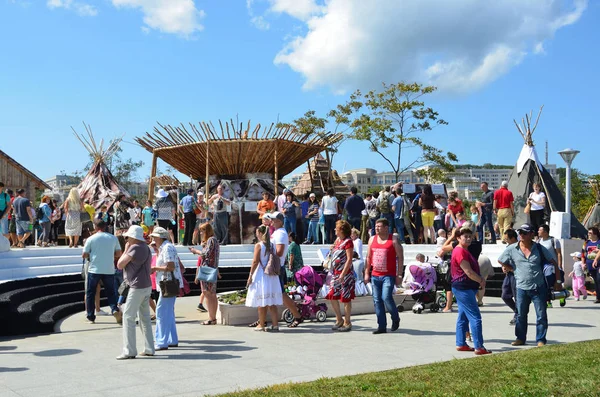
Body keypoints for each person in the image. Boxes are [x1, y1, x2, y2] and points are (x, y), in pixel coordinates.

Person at [499, 223, 560, 347]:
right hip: (521, 287)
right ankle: (520, 338)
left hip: (539, 287)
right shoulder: (512, 248)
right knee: (520, 314)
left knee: (541, 314)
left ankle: (541, 339)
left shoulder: (539, 248)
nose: (521, 235)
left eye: (525, 233)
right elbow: (501, 260)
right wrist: (510, 269)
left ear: (532, 234)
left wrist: (558, 282)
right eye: (520, 232)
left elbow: (554, 263)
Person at [450, 224, 491, 355]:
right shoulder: (460, 251)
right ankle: (479, 346)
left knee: (463, 317)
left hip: (465, 287)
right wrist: (481, 280)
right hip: (464, 287)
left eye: (470, 236)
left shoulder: (464, 250)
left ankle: (461, 343)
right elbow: (468, 272)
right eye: (465, 237)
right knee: (475, 317)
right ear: (458, 238)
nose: (468, 239)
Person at [116, 225, 154, 360]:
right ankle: (149, 348)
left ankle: (129, 350)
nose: (126, 239)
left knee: (128, 317)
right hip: (146, 285)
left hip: (136, 287)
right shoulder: (146, 248)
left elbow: (120, 264)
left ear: (133, 237)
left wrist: (126, 249)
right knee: (145, 318)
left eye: (128, 237)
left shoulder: (134, 248)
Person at [263, 211, 304, 327]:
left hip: (276, 267)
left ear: (279, 221)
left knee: (281, 294)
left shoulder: (280, 233)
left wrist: (267, 251)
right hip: (275, 266)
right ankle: (262, 319)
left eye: (273, 219)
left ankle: (297, 315)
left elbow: (280, 252)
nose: (271, 221)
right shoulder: (277, 232)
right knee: (272, 292)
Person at [365, 218, 403, 334]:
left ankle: (395, 318)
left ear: (386, 228)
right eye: (376, 227)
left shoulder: (394, 240)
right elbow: (368, 257)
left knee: (386, 297)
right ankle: (381, 326)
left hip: (388, 275)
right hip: (375, 275)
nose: (376, 228)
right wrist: (367, 272)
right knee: (377, 300)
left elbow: (400, 258)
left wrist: (399, 274)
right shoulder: (372, 239)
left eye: (379, 226)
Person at [82, 220, 123, 324]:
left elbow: (84, 255)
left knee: (91, 292)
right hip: (109, 269)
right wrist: (109, 256)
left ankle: (91, 316)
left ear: (95, 227)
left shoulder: (91, 239)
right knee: (111, 292)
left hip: (94, 269)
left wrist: (93, 255)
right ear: (105, 227)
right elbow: (119, 253)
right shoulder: (113, 238)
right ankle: (114, 309)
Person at [150, 226, 183, 350]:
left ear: (159, 237)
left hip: (167, 283)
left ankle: (162, 341)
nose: (153, 239)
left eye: (154, 237)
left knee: (162, 312)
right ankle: (171, 339)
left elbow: (170, 266)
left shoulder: (167, 248)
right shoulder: (166, 247)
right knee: (167, 312)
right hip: (167, 283)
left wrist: (154, 269)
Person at [246, 225, 283, 331]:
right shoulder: (271, 245)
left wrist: (250, 275)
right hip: (271, 275)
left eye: (257, 232)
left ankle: (261, 324)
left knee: (261, 301)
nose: (256, 234)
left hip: (261, 274)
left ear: (260, 233)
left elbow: (255, 261)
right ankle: (275, 324)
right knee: (271, 302)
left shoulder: (259, 245)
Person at [326, 220, 355, 332]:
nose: (334, 230)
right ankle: (339, 319)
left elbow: (349, 259)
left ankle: (347, 322)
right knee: (332, 295)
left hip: (345, 274)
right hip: (335, 273)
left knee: (346, 298)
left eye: (336, 228)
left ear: (342, 230)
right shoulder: (337, 240)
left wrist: (343, 273)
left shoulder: (348, 242)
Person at [191, 222, 220, 325]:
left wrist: (195, 251)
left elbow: (205, 254)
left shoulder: (211, 240)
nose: (201, 233)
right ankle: (212, 317)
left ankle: (212, 318)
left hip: (208, 270)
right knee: (210, 293)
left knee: (208, 293)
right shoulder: (212, 240)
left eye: (202, 231)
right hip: (212, 269)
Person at [537, 224, 563, 307]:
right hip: (543, 266)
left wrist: (559, 265)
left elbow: (559, 253)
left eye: (539, 230)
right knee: (545, 283)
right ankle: (548, 301)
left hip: (553, 265)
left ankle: (562, 295)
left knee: (557, 281)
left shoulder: (554, 240)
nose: (538, 232)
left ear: (545, 231)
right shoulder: (538, 241)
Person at [500, 229, 519, 325]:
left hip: (516, 275)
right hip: (509, 275)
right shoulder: (508, 247)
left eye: (507, 239)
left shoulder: (519, 247)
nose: (506, 241)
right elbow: (503, 259)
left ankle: (518, 315)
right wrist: (504, 267)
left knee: (517, 296)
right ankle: (518, 312)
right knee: (505, 295)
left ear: (513, 238)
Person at [582, 226, 600, 304]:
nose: (588, 234)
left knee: (599, 279)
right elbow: (583, 253)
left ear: (595, 234)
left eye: (590, 233)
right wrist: (583, 263)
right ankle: (598, 297)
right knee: (596, 281)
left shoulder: (599, 242)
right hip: (590, 265)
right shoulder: (586, 243)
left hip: (598, 264)